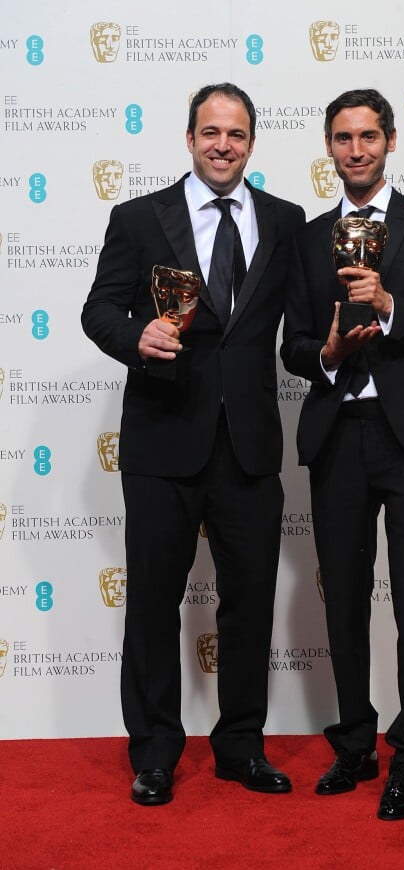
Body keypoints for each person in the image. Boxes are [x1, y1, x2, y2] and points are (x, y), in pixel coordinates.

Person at [82, 82, 305, 805]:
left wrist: (334, 346)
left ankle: (241, 746)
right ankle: (153, 752)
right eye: (210, 131)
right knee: (152, 600)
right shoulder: (139, 217)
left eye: (236, 134)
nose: (222, 145)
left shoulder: (285, 220)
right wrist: (134, 337)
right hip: (161, 442)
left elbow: (295, 331)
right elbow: (98, 308)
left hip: (247, 447)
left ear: (250, 143)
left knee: (250, 601)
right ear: (188, 138)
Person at [281, 88, 404, 820]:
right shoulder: (307, 237)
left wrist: (389, 306)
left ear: (391, 140)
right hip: (337, 435)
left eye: (367, 136)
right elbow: (293, 343)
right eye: (341, 138)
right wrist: (323, 354)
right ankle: (354, 743)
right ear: (328, 147)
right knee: (345, 600)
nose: (355, 150)